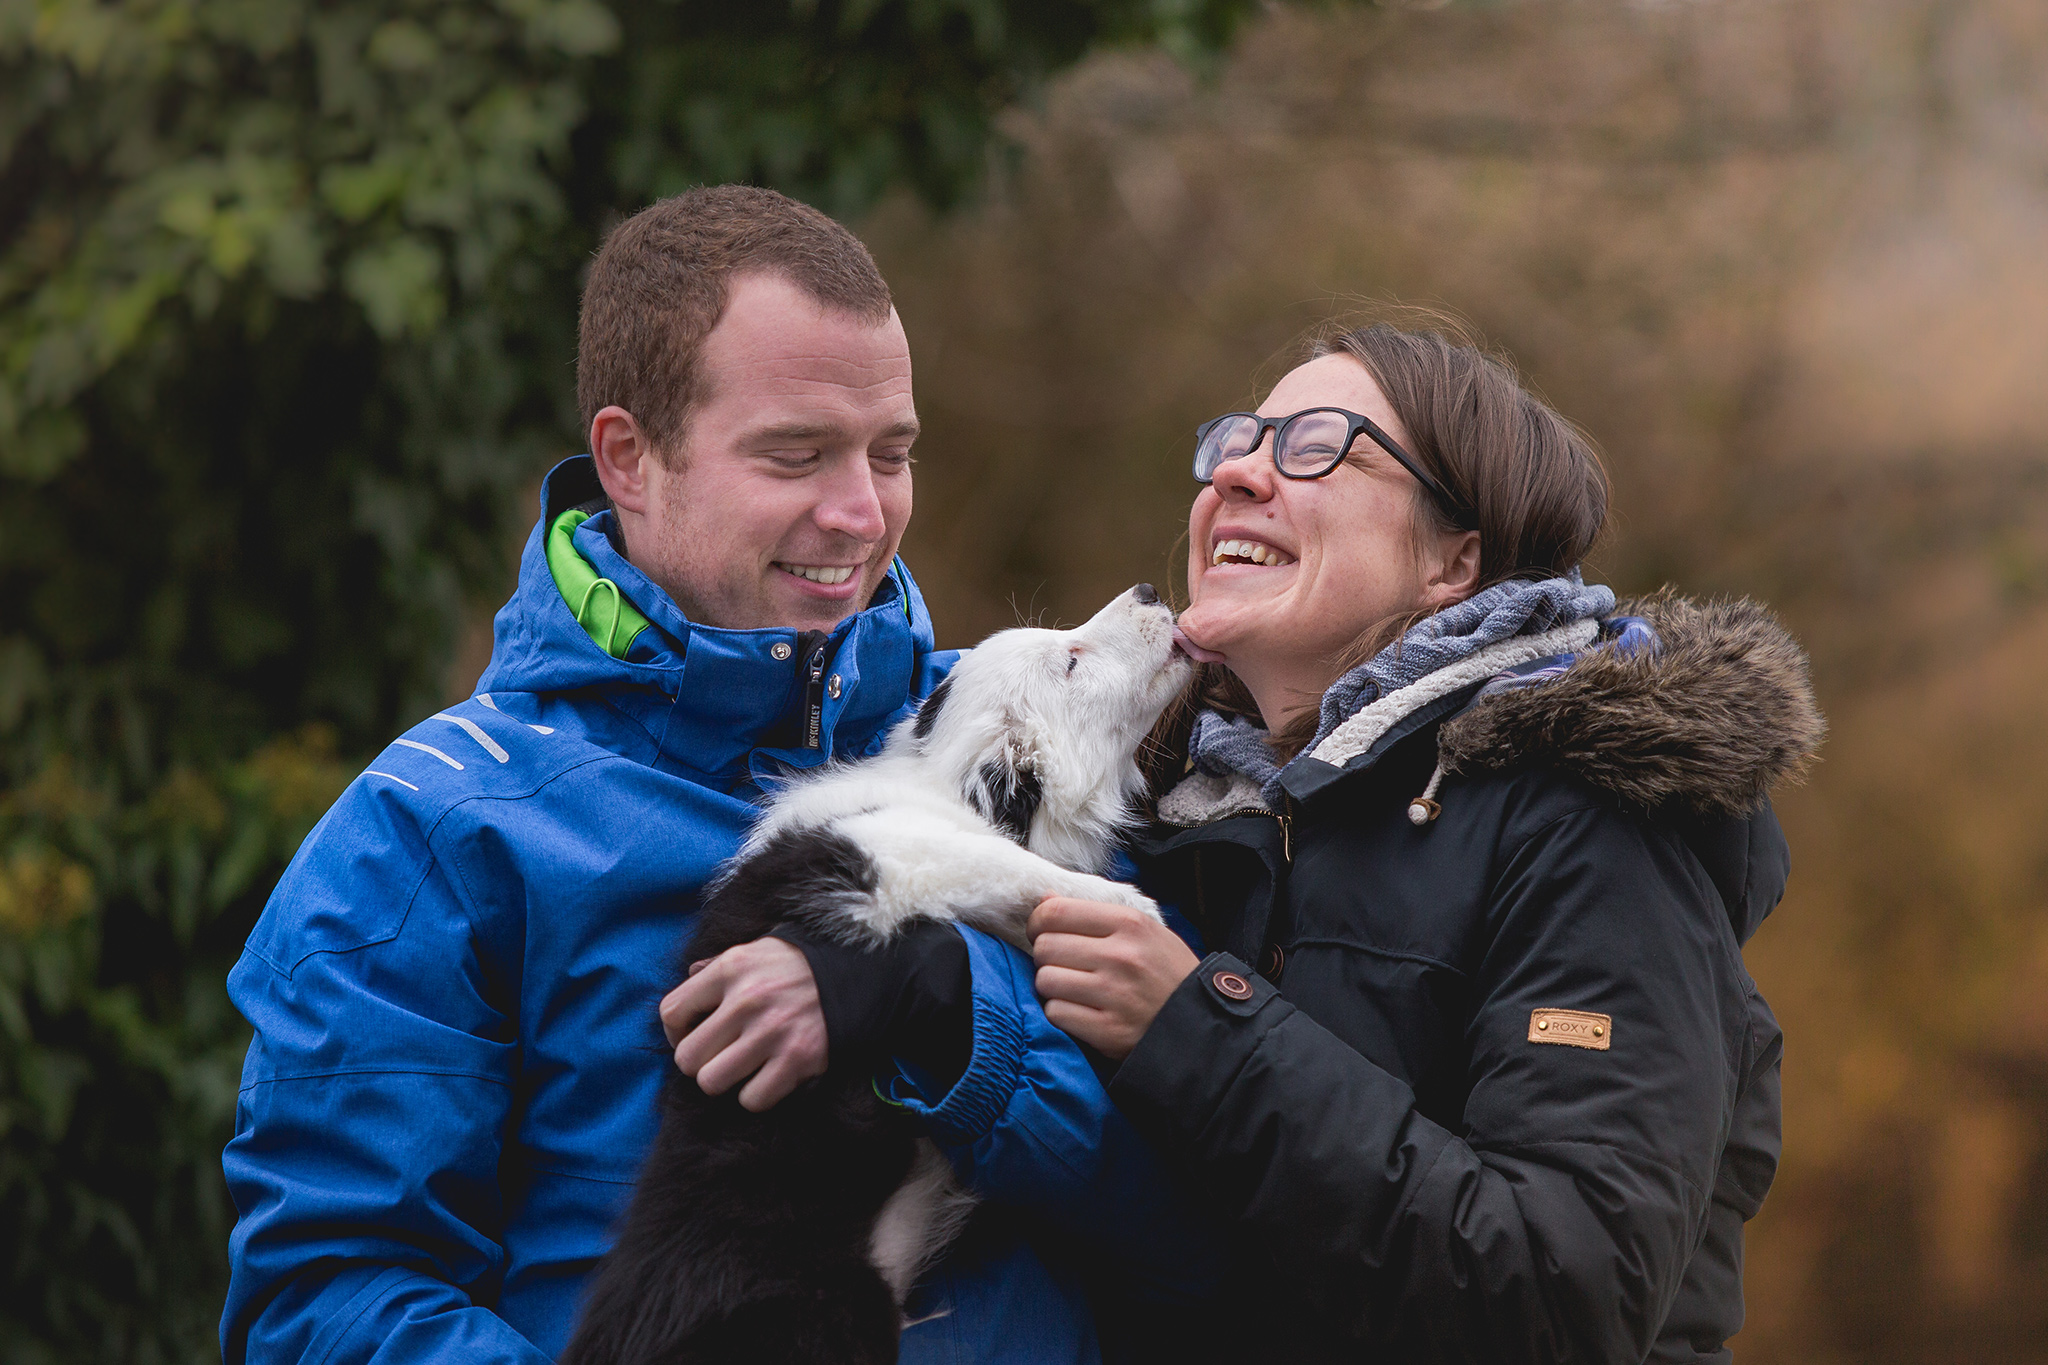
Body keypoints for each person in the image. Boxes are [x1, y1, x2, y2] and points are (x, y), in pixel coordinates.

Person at [220, 185, 1204, 1365]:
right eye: (794, 455)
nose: (856, 513)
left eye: (891, 454)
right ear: (631, 458)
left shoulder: (1035, 754)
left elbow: (1200, 1224)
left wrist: (940, 1006)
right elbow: (325, 1299)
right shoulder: (433, 827)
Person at [1014, 321, 1826, 1362]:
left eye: (1314, 444)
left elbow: (1559, 1293)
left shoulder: (1588, 823)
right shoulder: (1153, 811)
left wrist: (1198, 1034)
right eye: (1236, 441)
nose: (1239, 475)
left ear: (1454, 561)